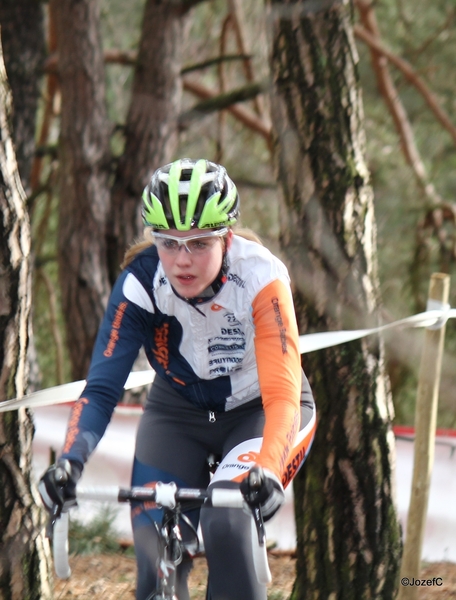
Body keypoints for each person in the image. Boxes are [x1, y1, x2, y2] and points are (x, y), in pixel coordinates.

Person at [39, 158, 316, 600]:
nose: (182, 260)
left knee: (228, 521)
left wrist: (266, 467)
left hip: (259, 411)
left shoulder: (261, 276)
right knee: (152, 544)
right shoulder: (141, 282)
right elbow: (103, 388)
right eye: (168, 243)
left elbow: (282, 394)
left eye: (200, 243)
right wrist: (70, 460)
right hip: (178, 410)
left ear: (226, 237)